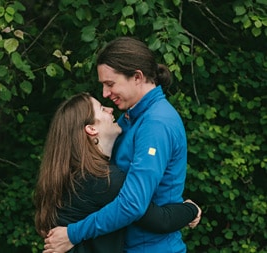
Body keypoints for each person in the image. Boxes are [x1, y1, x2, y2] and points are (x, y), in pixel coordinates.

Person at [45, 37, 193, 252]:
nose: (105, 94)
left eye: (110, 84)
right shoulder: (128, 120)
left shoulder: (156, 124)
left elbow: (132, 204)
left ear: (137, 77)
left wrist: (73, 233)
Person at [35, 93, 201, 253]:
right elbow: (163, 221)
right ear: (91, 129)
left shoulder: (75, 173)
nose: (111, 109)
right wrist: (191, 209)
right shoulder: (103, 180)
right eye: (101, 109)